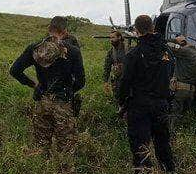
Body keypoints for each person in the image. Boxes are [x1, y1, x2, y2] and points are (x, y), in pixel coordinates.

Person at [10, 16, 85, 151]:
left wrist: (34, 84)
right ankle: (64, 171)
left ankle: (42, 170)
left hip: (42, 101)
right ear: (65, 31)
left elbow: (14, 71)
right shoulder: (73, 51)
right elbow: (81, 82)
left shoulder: (35, 48)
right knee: (67, 149)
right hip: (63, 103)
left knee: (40, 146)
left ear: (49, 29)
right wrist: (68, 90)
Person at [117, 15, 175, 174]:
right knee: (163, 143)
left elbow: (125, 82)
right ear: (153, 28)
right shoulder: (167, 51)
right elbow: (171, 72)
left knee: (140, 145)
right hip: (162, 104)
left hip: (139, 106)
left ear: (136, 31)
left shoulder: (133, 54)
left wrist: (121, 103)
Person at [168, 35, 196, 120]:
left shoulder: (185, 51)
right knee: (185, 118)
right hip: (191, 91)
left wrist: (175, 40)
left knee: (174, 117)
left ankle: (171, 132)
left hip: (179, 91)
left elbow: (166, 45)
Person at [102, 30, 126, 99]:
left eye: (113, 37)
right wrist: (105, 81)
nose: (111, 40)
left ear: (119, 37)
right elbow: (107, 67)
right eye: (110, 38)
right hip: (117, 81)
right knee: (117, 99)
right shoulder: (111, 52)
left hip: (128, 81)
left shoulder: (128, 49)